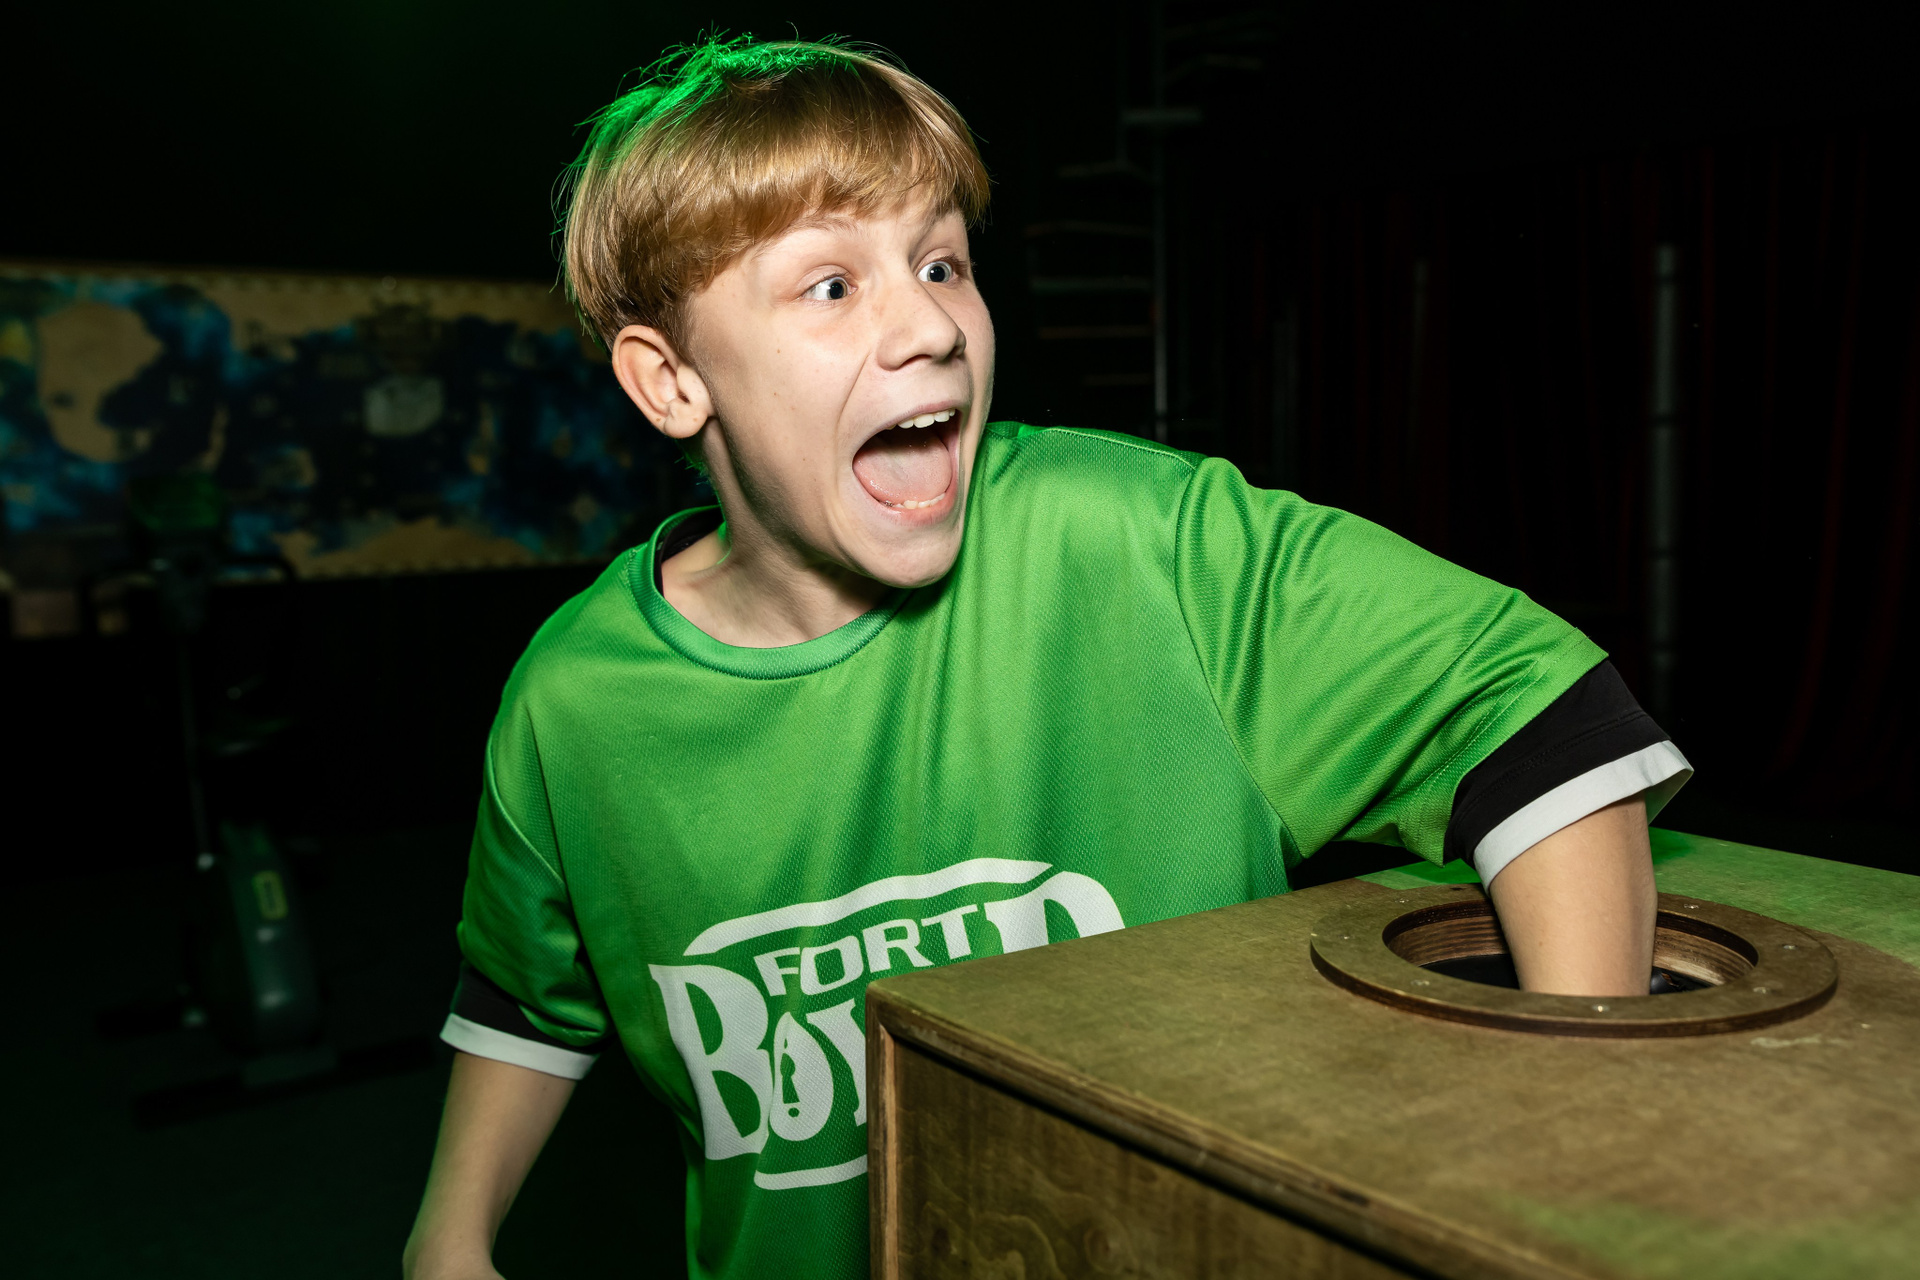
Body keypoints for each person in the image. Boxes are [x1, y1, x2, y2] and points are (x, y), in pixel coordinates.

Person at [402, 36, 1691, 1280]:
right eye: (832, 285)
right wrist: (446, 1240)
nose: (931, 326)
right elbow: (526, 997)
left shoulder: (1144, 542)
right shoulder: (572, 699)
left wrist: (1570, 1158)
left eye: (943, 264)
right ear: (672, 381)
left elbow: (1538, 717)